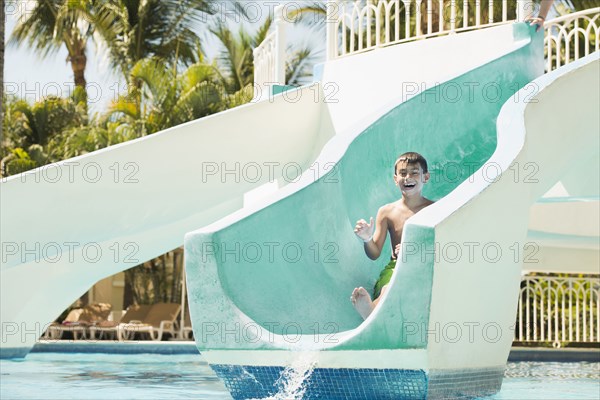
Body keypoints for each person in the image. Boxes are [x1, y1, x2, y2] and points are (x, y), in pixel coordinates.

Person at [350, 152, 434, 319]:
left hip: (421, 265)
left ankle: (373, 312)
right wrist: (367, 238)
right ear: (395, 179)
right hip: (395, 266)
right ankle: (372, 310)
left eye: (414, 172)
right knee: (389, 287)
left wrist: (415, 250)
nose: (407, 177)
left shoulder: (434, 209)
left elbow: (440, 244)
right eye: (403, 173)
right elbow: (374, 254)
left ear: (425, 177)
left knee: (408, 284)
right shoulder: (387, 212)